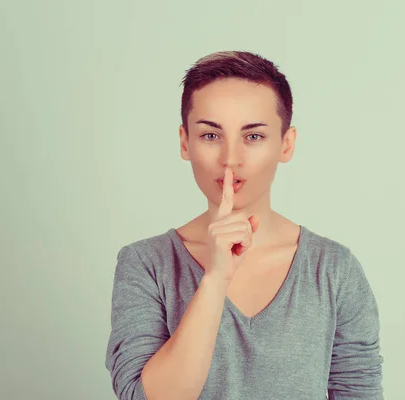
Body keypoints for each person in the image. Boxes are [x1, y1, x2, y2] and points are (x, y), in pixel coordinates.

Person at [105, 50, 384, 400]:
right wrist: (215, 278)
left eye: (253, 136)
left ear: (286, 144)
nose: (230, 159)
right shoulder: (145, 264)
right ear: (184, 142)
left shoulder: (333, 269)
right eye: (210, 136)